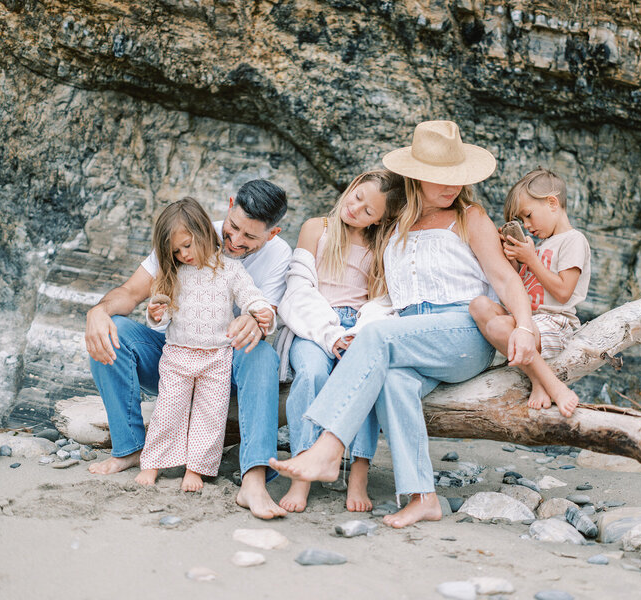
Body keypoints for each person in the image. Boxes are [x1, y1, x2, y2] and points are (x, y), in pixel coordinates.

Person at [269, 120, 537, 528]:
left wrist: (525, 326)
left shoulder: (468, 216)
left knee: (377, 338)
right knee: (394, 382)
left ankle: (327, 446)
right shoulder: (391, 228)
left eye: (456, 177)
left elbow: (503, 277)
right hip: (409, 334)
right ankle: (423, 495)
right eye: (438, 178)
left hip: (461, 331)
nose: (450, 186)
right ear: (415, 176)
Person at [85, 179, 291, 519]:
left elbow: (265, 313)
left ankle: (253, 477)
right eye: (234, 227)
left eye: (250, 237)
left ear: (273, 233)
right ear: (229, 204)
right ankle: (132, 448)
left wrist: (256, 320)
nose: (235, 241)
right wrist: (98, 311)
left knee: (261, 353)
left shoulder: (279, 255)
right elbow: (132, 292)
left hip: (229, 363)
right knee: (115, 329)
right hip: (177, 358)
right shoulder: (190, 231)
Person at [275, 169, 406, 513]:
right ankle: (302, 469)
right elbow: (298, 289)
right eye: (358, 197)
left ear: (380, 220)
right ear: (352, 186)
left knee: (364, 378)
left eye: (368, 211)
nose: (356, 209)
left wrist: (359, 332)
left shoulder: (382, 246)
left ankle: (358, 470)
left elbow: (385, 300)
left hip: (360, 326)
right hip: (314, 323)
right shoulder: (317, 228)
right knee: (312, 373)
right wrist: (331, 333)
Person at [134, 198, 275, 492]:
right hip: (176, 355)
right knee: (168, 410)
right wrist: (155, 314)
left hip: (217, 357)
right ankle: (153, 463)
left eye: (188, 245)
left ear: (203, 231)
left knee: (209, 415)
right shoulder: (172, 273)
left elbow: (250, 295)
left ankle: (196, 469)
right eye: (176, 251)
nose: (184, 254)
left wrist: (261, 310)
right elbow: (161, 316)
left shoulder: (230, 269)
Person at [468, 168, 590, 417]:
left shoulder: (573, 240)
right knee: (479, 306)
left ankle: (547, 384)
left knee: (504, 329)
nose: (527, 225)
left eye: (529, 215)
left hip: (556, 323)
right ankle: (540, 379)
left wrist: (531, 259)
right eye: (522, 221)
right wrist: (514, 258)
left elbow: (564, 292)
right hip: (529, 324)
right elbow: (515, 292)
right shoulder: (538, 246)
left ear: (552, 203)